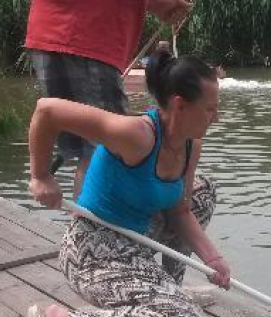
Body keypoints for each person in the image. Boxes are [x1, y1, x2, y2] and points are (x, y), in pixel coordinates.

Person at [27, 50, 230, 317]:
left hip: (136, 244)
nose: (216, 117)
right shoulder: (136, 135)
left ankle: (170, 289)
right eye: (209, 109)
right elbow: (47, 110)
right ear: (180, 105)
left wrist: (213, 259)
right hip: (93, 253)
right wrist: (40, 176)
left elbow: (179, 210)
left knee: (201, 191)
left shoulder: (191, 146)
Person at [25, 0, 192, 194]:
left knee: (92, 152)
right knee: (108, 151)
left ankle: (82, 218)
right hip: (90, 33)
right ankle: (93, 223)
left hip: (53, 28)